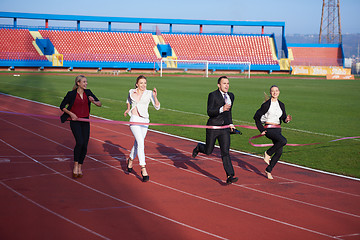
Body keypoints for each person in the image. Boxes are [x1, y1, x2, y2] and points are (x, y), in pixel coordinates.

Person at [192, 76, 239, 185]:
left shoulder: (231, 96)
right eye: (224, 83)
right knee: (208, 151)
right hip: (213, 127)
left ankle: (230, 175)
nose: (226, 85)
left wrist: (231, 124)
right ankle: (199, 147)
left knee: (225, 152)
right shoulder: (212, 95)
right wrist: (221, 109)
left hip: (224, 128)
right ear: (219, 85)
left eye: (228, 83)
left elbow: (229, 112)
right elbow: (210, 112)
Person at [60, 75, 102, 178]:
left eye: (86, 82)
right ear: (78, 83)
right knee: (80, 142)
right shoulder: (71, 94)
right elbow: (62, 106)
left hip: (85, 121)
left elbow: (99, 104)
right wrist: (71, 114)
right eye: (84, 82)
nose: (86, 83)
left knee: (85, 145)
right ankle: (75, 165)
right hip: (75, 121)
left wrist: (93, 101)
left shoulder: (88, 93)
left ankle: (80, 166)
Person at [124, 75, 160, 182]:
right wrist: (128, 109)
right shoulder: (131, 91)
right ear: (137, 84)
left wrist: (155, 96)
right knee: (140, 143)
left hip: (145, 120)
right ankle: (143, 169)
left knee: (137, 143)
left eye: (145, 83)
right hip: (134, 119)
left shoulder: (149, 93)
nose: (143, 85)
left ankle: (130, 159)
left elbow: (157, 107)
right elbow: (128, 100)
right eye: (141, 83)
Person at [253, 85, 292, 180]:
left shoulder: (281, 104)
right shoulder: (266, 105)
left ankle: (268, 170)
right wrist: (261, 130)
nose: (275, 92)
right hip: (269, 129)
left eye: (277, 91)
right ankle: (268, 153)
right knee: (283, 141)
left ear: (279, 92)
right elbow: (256, 117)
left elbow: (283, 118)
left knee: (279, 152)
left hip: (278, 129)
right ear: (270, 93)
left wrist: (286, 120)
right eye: (273, 91)